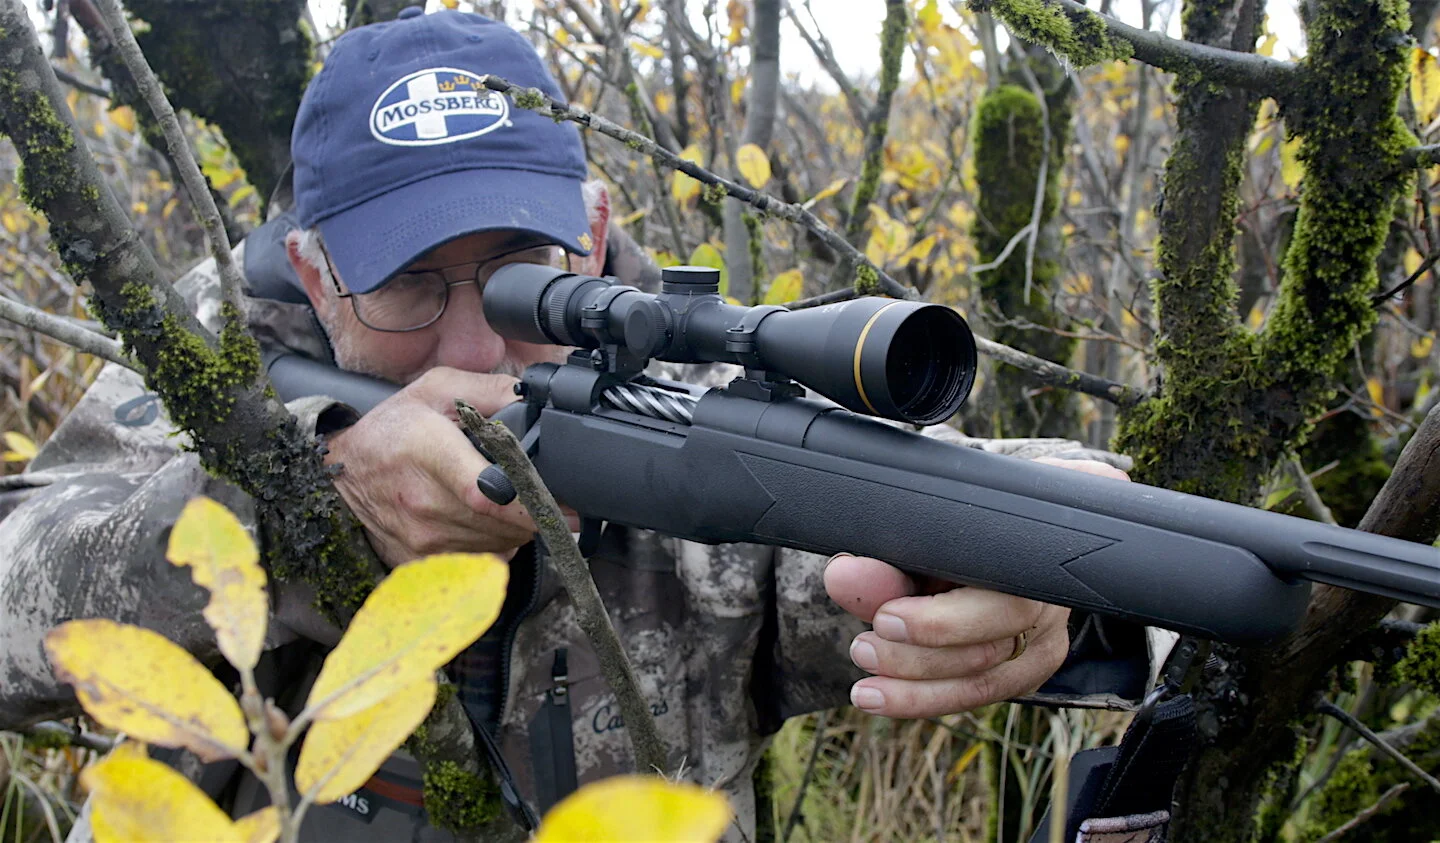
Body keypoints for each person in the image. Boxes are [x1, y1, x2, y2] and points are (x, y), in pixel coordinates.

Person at [0, 8, 1166, 842]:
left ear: (593, 229)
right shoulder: (209, 384)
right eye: (409, 286)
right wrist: (308, 497)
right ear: (311, 273)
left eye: (518, 276)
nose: (471, 351)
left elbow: (879, 513)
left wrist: (1040, 564)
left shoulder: (673, 400)